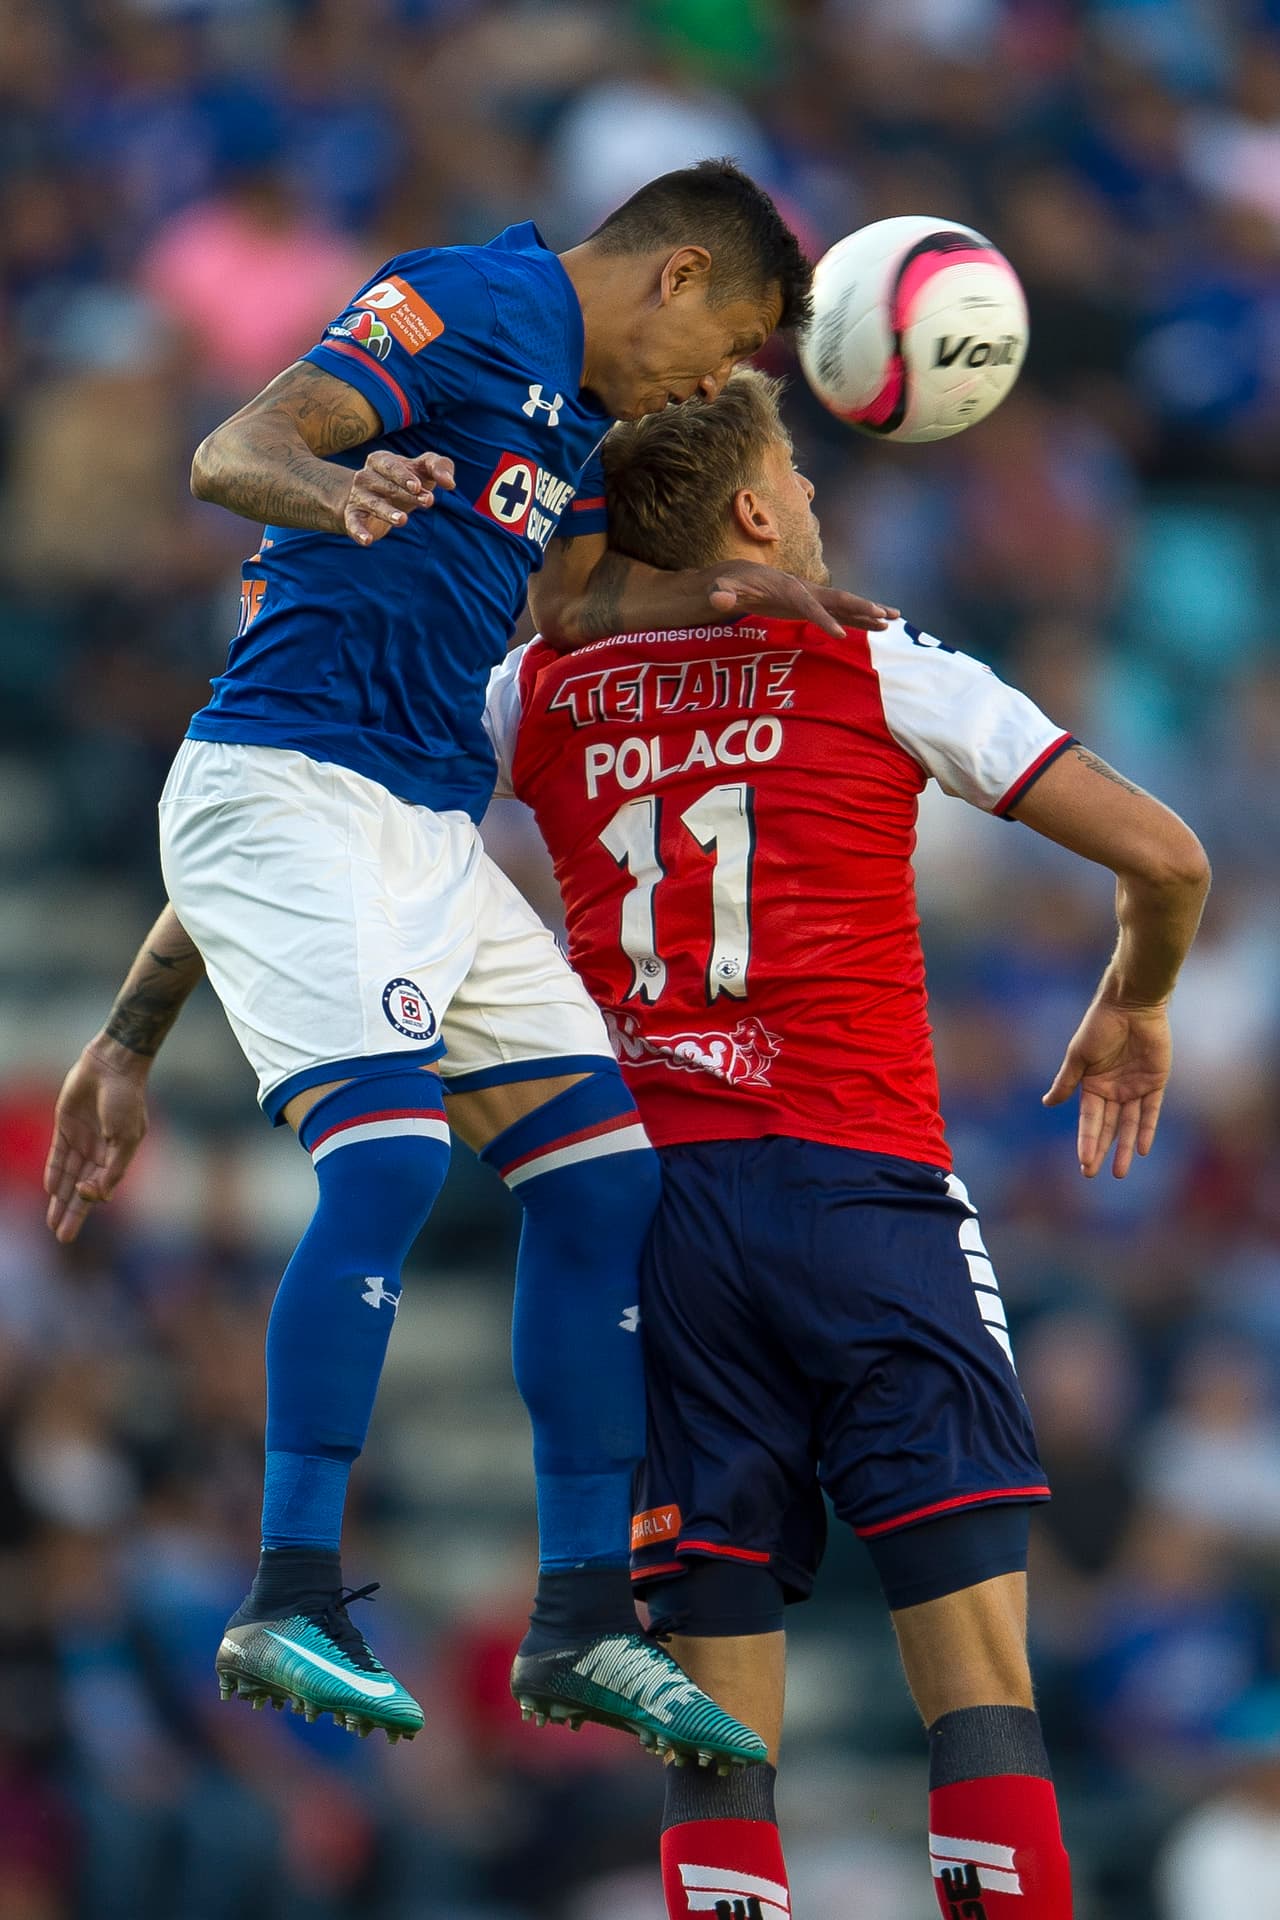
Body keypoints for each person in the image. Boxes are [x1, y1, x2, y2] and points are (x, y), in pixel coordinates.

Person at [51, 370, 1209, 1920]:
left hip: (653, 1233)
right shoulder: (870, 658)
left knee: (716, 1736)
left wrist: (131, 1031)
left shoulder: (527, 689)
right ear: (749, 510)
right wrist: (1134, 998)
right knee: (977, 1690)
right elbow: (1169, 859)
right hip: (864, 1195)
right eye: (796, 483)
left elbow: (303, 824)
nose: (811, 508)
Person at [45, 161, 893, 1753]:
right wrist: (340, 493)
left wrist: (750, 596)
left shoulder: (571, 422)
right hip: (284, 788)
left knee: (604, 1179)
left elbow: (566, 610)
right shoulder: (468, 299)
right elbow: (241, 448)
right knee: (386, 1160)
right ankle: (289, 1590)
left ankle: (579, 1617)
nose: (713, 387)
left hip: (420, 828)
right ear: (680, 271)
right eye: (729, 348)